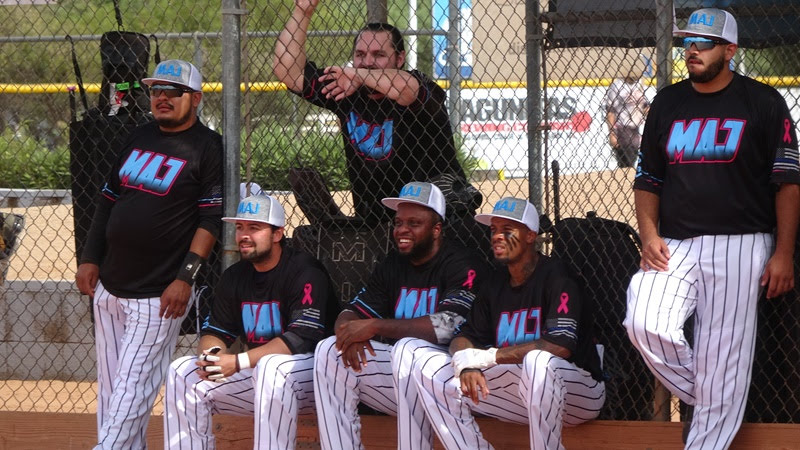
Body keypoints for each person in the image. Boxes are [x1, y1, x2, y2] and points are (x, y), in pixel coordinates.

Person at [624, 8, 800, 449]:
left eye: (703, 42)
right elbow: (647, 179)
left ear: (730, 49)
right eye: (687, 42)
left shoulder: (763, 102)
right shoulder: (667, 102)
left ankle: (714, 412)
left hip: (741, 244)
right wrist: (648, 234)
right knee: (644, 321)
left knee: (725, 354)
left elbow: (788, 183)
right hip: (675, 243)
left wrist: (783, 253)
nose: (692, 50)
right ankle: (713, 392)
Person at [74, 59, 223, 449]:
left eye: (173, 91)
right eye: (156, 90)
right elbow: (107, 199)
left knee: (133, 387)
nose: (162, 97)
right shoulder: (138, 135)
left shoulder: (208, 146)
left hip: (159, 294)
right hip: (110, 285)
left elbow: (210, 220)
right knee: (112, 388)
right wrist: (89, 257)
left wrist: (185, 278)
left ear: (196, 98)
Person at [410, 197, 606, 450]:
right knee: (429, 368)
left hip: (580, 390)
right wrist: (466, 363)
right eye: (494, 230)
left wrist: (487, 357)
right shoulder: (495, 282)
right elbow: (464, 336)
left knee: (538, 362)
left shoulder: (558, 276)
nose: (497, 237)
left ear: (530, 235)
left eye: (507, 230)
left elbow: (560, 346)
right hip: (524, 391)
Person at [313, 181, 488, 449]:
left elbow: (446, 327)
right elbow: (352, 313)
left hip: (449, 373)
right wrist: (350, 334)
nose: (402, 230)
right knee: (329, 351)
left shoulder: (461, 263)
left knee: (408, 348)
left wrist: (373, 326)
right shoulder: (392, 264)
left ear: (436, 229)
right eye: (398, 223)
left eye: (414, 223)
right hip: (402, 373)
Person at [163, 195, 337, 449]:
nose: (244, 235)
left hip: (314, 378)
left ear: (277, 234)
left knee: (271, 367)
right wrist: (212, 358)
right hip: (261, 375)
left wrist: (237, 362)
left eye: (254, 228)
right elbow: (216, 331)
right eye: (240, 227)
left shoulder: (305, 271)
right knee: (182, 371)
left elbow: (299, 339)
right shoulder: (234, 276)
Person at [273, 0, 466, 225]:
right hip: (375, 222)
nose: (367, 62)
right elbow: (288, 72)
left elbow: (406, 89)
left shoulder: (418, 85)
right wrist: (302, 11)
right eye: (360, 54)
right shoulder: (345, 89)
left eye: (378, 55)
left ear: (400, 59)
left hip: (440, 221)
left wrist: (358, 75)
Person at [603, 66, 649, 168]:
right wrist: (612, 133)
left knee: (633, 158)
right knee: (627, 161)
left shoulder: (639, 84)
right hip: (622, 127)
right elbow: (610, 111)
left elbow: (644, 106)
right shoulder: (617, 86)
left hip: (636, 128)